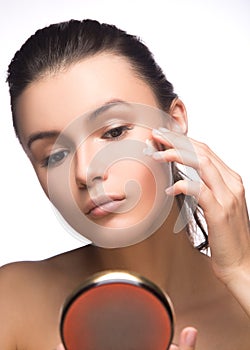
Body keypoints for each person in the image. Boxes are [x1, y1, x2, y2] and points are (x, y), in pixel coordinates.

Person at [0, 19, 249, 350]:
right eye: (54, 155)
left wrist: (241, 270)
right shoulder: (14, 302)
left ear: (174, 121)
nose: (85, 172)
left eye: (114, 132)